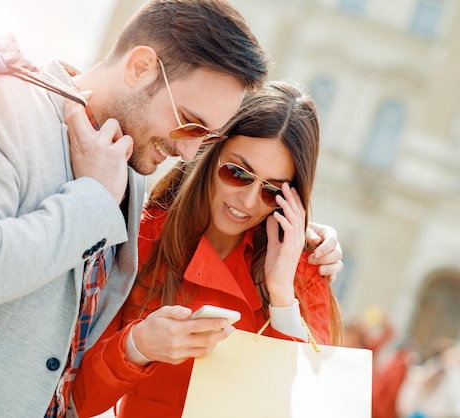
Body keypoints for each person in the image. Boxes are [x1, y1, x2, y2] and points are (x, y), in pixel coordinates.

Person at [0, 1, 343, 416]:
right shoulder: (0, 104)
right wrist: (93, 200)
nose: (188, 151)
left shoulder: (130, 169)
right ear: (140, 67)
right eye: (189, 122)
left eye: (204, 136)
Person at [71, 81, 344, 417]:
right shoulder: (140, 237)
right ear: (209, 150)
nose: (247, 201)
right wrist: (138, 345)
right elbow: (75, 401)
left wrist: (282, 296)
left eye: (271, 191)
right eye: (238, 173)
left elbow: (310, 404)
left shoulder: (303, 268)